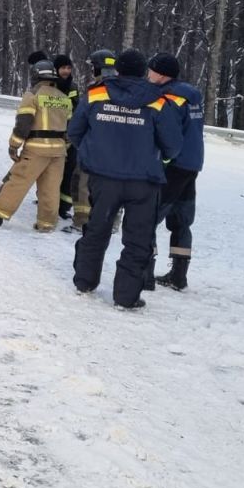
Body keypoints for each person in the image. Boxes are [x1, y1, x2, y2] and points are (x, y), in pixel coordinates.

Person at [67, 47, 182, 309]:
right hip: (144, 182)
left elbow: (74, 132)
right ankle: (126, 297)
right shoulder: (160, 100)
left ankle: (84, 281)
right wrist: (158, 160)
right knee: (137, 239)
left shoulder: (97, 93)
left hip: (103, 178)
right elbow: (173, 147)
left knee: (97, 229)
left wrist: (93, 155)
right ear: (144, 73)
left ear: (117, 70)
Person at [0, 59, 73, 232]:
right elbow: (70, 129)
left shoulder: (32, 95)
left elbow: (24, 123)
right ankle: (47, 224)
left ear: (36, 75)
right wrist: (63, 146)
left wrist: (14, 145)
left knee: (18, 182)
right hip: (59, 153)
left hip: (36, 150)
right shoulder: (64, 98)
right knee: (51, 189)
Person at [145, 52, 204, 291]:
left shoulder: (168, 98)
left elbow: (167, 135)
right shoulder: (191, 95)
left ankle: (144, 271)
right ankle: (179, 275)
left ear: (161, 74)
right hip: (192, 164)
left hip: (173, 165)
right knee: (181, 219)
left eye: (151, 71)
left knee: (148, 217)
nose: (148, 74)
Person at [63, 49, 117, 232]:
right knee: (113, 188)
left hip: (93, 150)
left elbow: (77, 125)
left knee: (82, 184)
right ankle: (112, 223)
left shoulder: (97, 92)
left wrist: (82, 145)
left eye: (93, 67)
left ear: (98, 69)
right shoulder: (126, 91)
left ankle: (81, 222)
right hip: (117, 152)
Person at [53, 53, 80, 220]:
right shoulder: (50, 85)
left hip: (69, 135)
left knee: (69, 171)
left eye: (69, 68)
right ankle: (49, 199)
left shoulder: (73, 87)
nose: (66, 71)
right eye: (63, 68)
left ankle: (63, 207)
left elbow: (76, 110)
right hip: (53, 133)